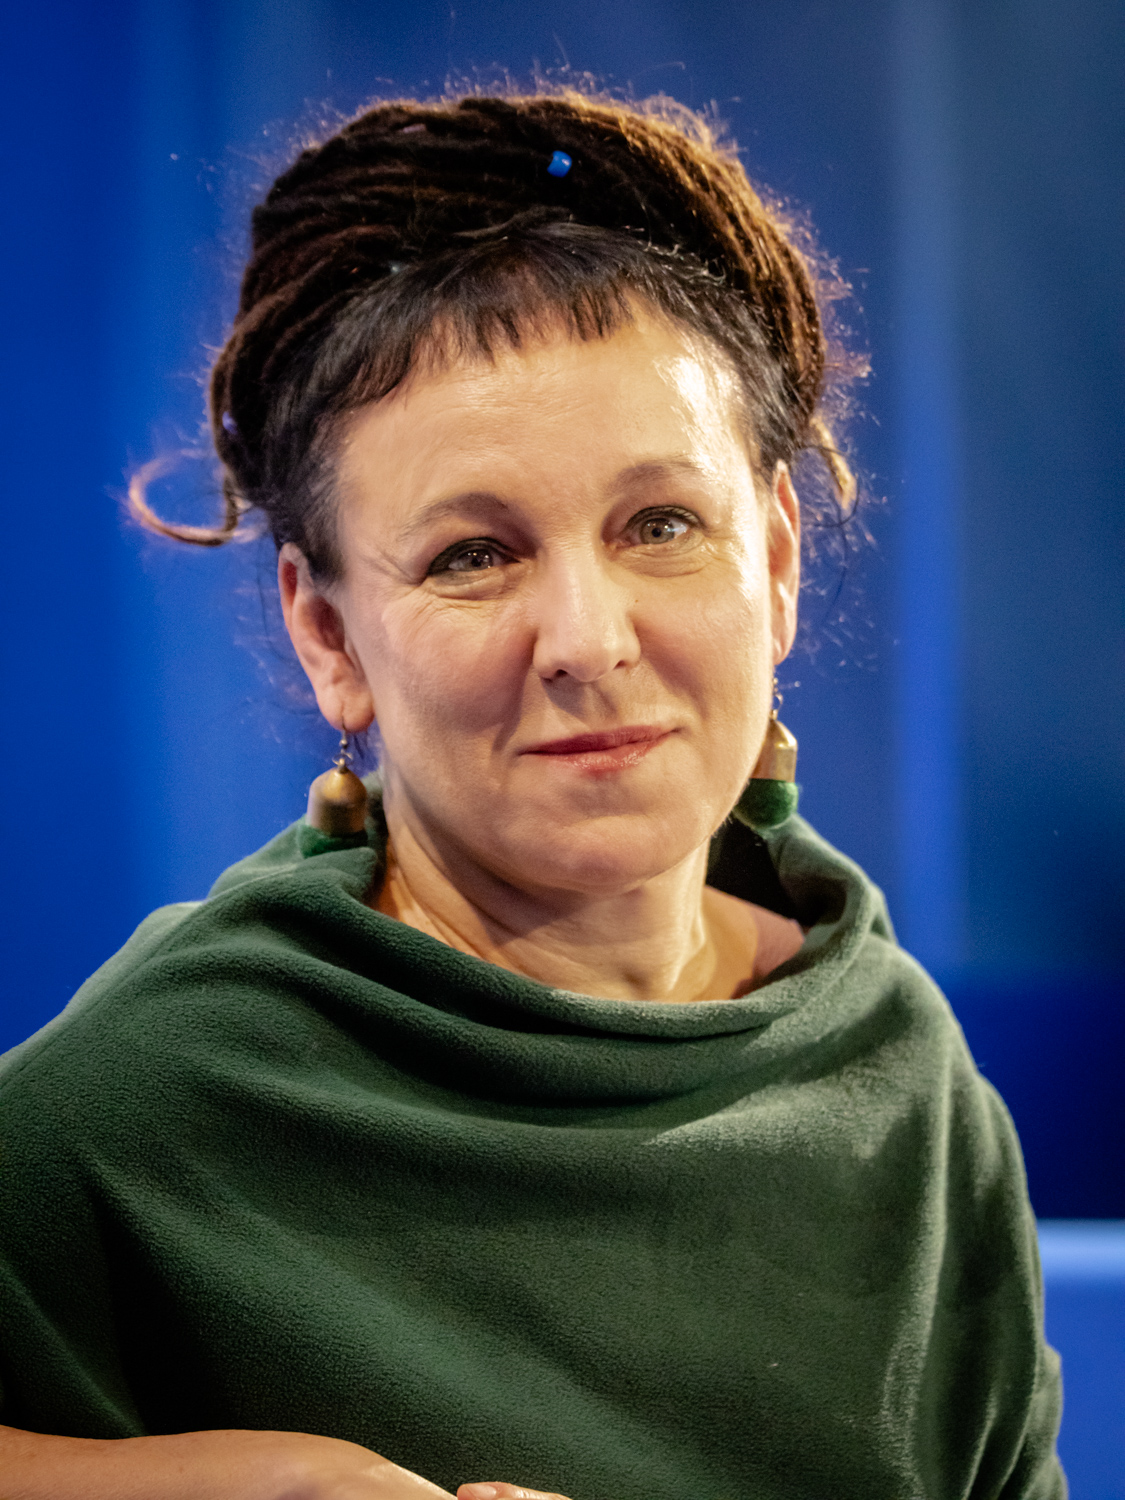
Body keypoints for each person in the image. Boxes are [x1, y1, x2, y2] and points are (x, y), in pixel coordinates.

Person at [0, 92, 1063, 1499]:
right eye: (472, 556)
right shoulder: (141, 1101)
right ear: (328, 635)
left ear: (776, 562)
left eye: (661, 525)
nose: (588, 640)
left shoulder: (898, 1071)